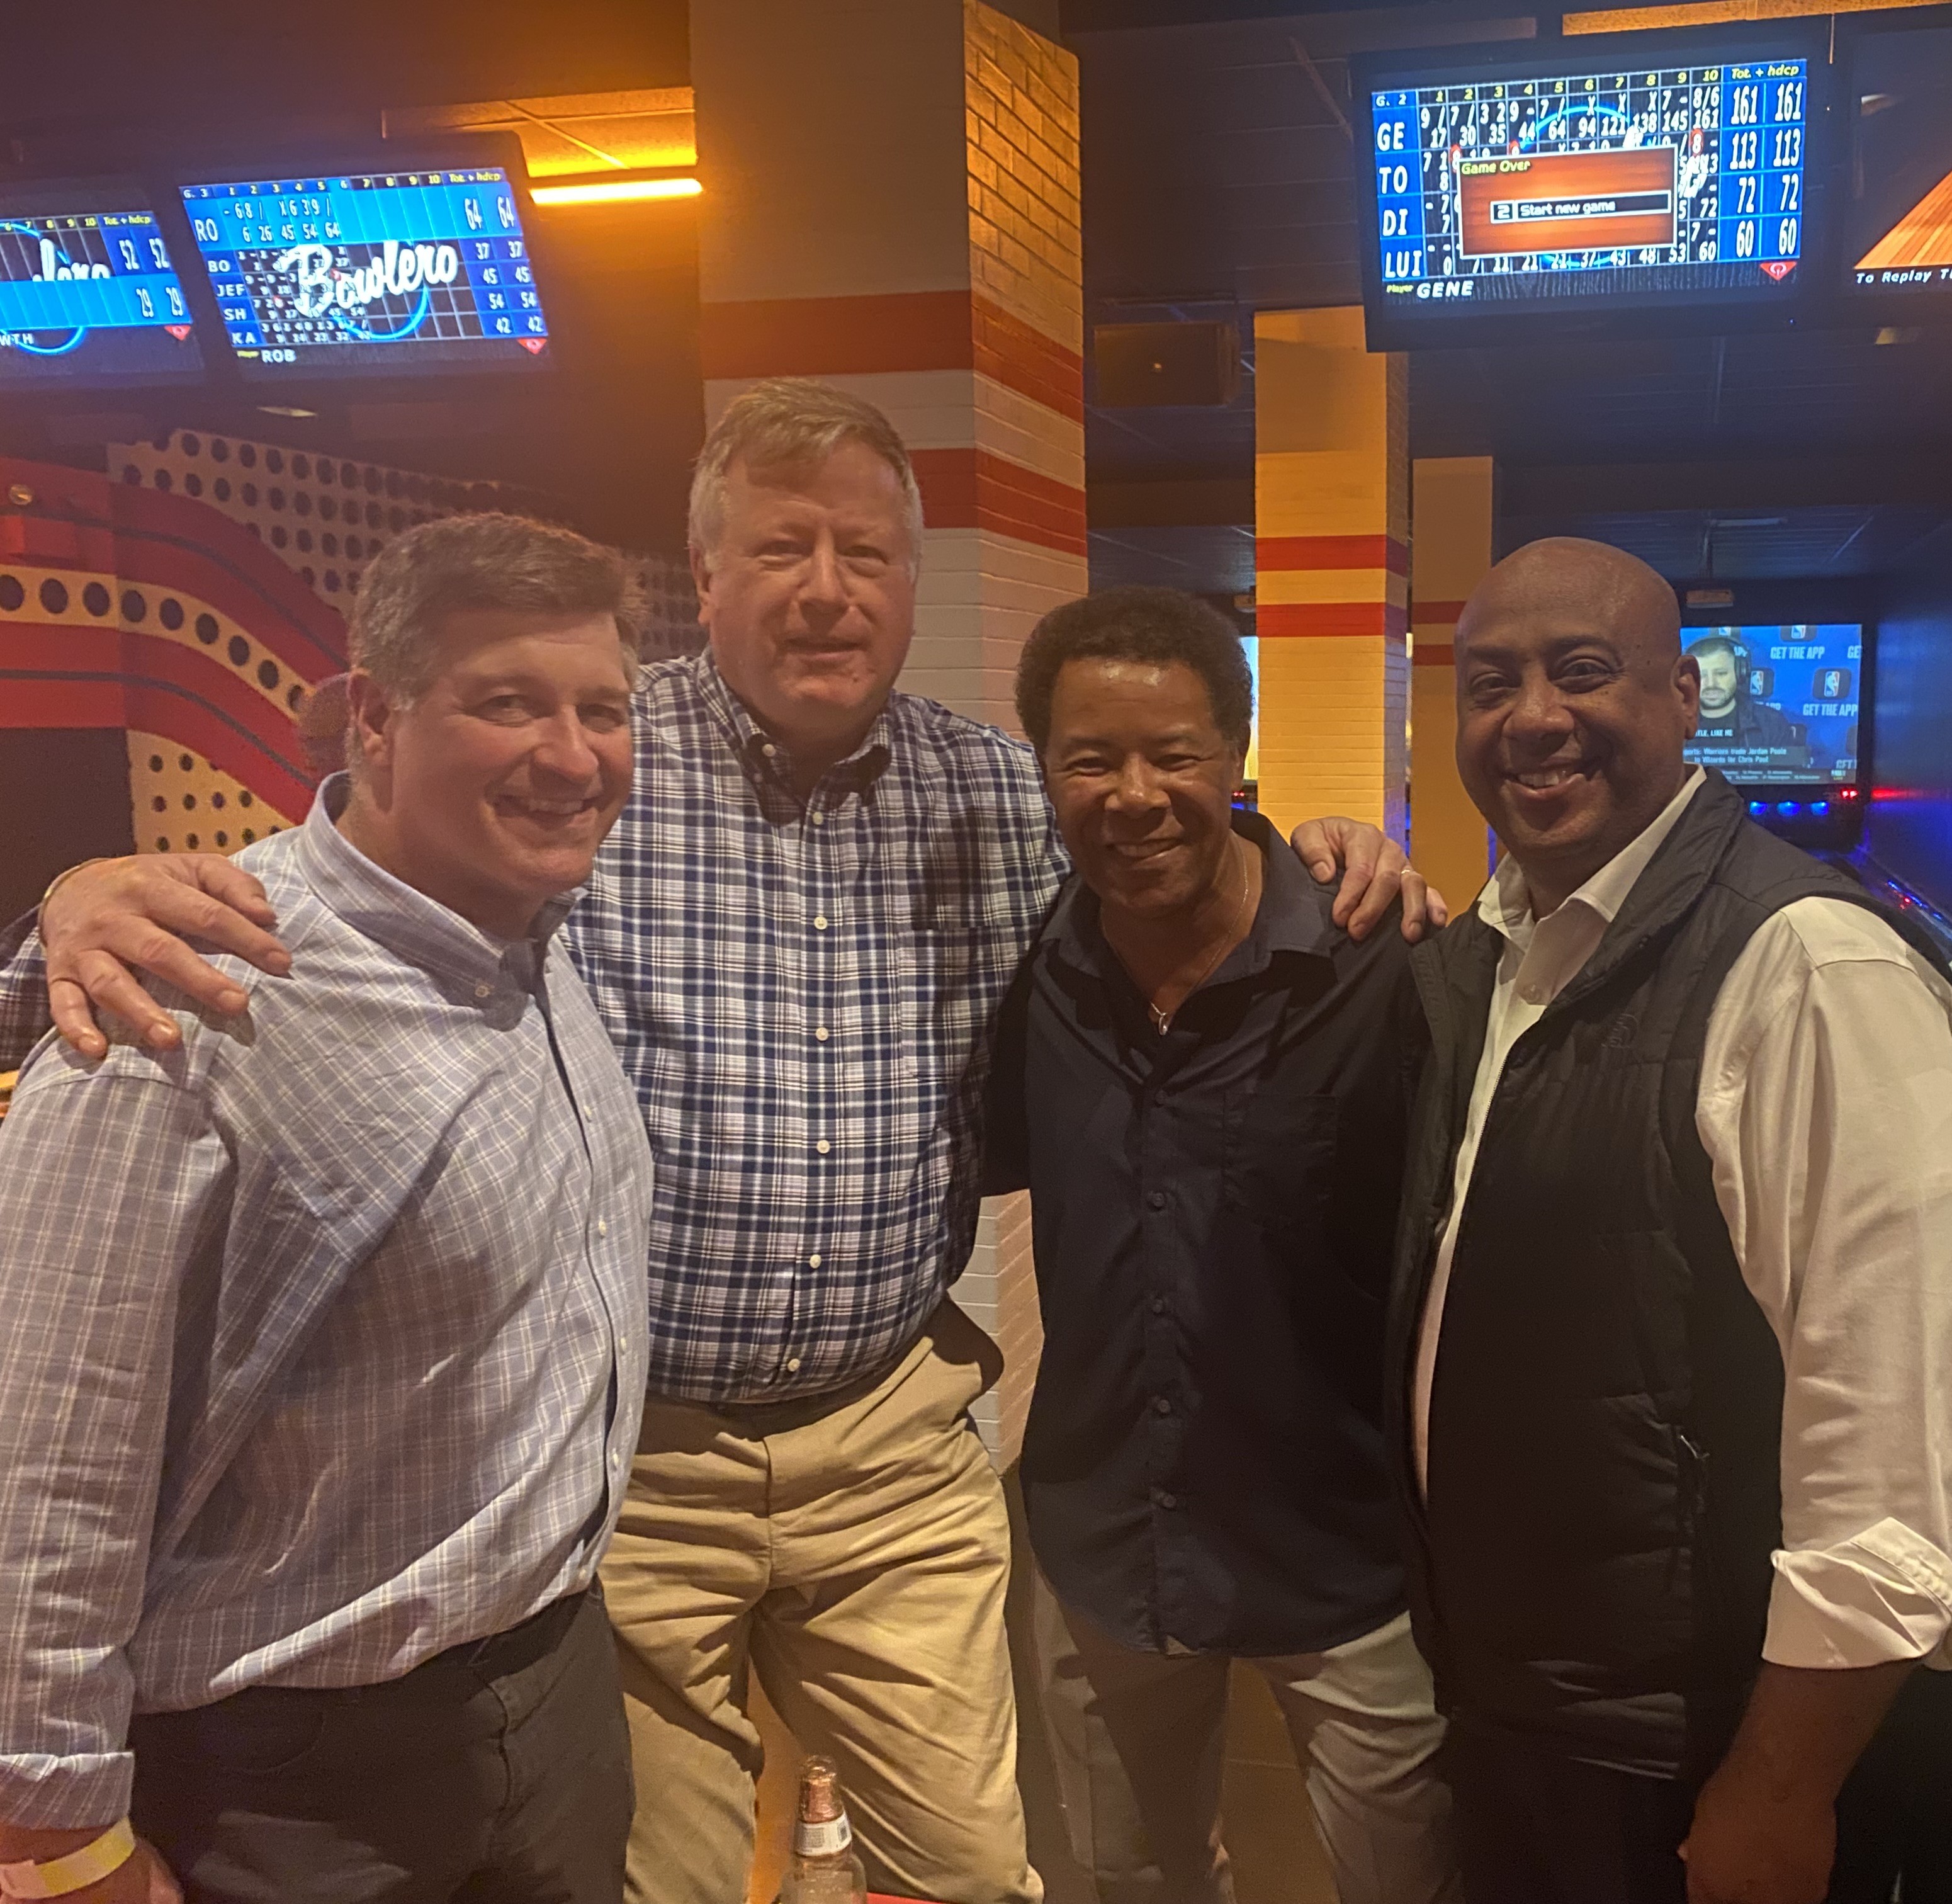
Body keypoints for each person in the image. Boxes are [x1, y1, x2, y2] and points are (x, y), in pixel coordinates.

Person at [0, 380, 1436, 1904]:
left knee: (976, 1871)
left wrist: (1329, 852)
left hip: (894, 1447)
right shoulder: (586, 778)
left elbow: (1165, 852)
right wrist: (70, 916)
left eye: (867, 555)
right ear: (709, 574)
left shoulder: (1002, 798)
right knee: (664, 1882)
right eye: (783, 549)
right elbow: (347, 905)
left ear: (912, 581)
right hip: (632, 1469)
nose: (828, 591)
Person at [0, 514, 655, 1903]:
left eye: (602, 710)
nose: (572, 752)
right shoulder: (187, 995)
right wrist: (55, 1840)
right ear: (373, 715)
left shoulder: (531, 933)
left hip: (554, 1694)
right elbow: (42, 1471)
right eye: (506, 703)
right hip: (296, 1780)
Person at [1390, 536, 1952, 1904]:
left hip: (1691, 1742)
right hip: (1519, 1704)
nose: (1530, 718)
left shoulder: (1808, 966)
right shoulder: (1491, 954)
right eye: (1487, 683)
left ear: (1683, 696)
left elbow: (1884, 1449)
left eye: (1581, 673)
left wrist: (1777, 1788)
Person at [987, 587, 1459, 1904]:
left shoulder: (1383, 963)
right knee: (1127, 1880)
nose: (1132, 795)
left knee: (1408, 1879)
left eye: (1171, 754)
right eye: (1089, 759)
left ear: (1234, 755)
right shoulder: (1031, 971)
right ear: (1045, 771)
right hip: (1102, 1541)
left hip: (1343, 1549)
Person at [1684, 633, 1798, 752]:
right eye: (1701, 675)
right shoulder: (1675, 725)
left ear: (1740, 673)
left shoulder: (1771, 724)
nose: (1711, 684)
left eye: (1721, 673)